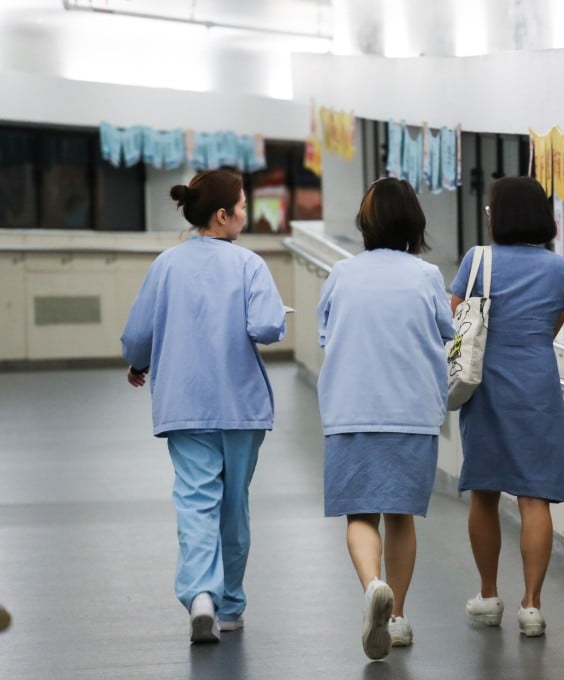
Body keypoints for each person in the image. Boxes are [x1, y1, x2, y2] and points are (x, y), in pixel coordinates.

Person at [121, 170, 287, 644]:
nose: (245, 213)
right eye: (241, 205)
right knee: (234, 507)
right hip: (240, 407)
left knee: (195, 502)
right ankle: (231, 606)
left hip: (184, 405)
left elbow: (137, 334)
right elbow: (268, 327)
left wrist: (138, 362)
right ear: (222, 215)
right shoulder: (250, 265)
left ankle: (200, 597)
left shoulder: (166, 265)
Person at [316, 177, 454, 661]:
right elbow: (447, 333)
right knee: (400, 515)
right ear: (414, 223)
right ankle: (396, 618)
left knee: (360, 514)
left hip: (350, 410)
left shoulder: (341, 274)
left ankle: (374, 585)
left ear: (366, 224)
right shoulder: (427, 276)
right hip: (411, 412)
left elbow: (325, 333)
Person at [451, 176, 564, 638]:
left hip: (485, 387)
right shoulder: (559, 269)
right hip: (537, 388)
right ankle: (532, 605)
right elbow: (552, 326)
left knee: (484, 491)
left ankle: (487, 595)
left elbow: (457, 319)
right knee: (534, 496)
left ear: (497, 216)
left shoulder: (476, 260)